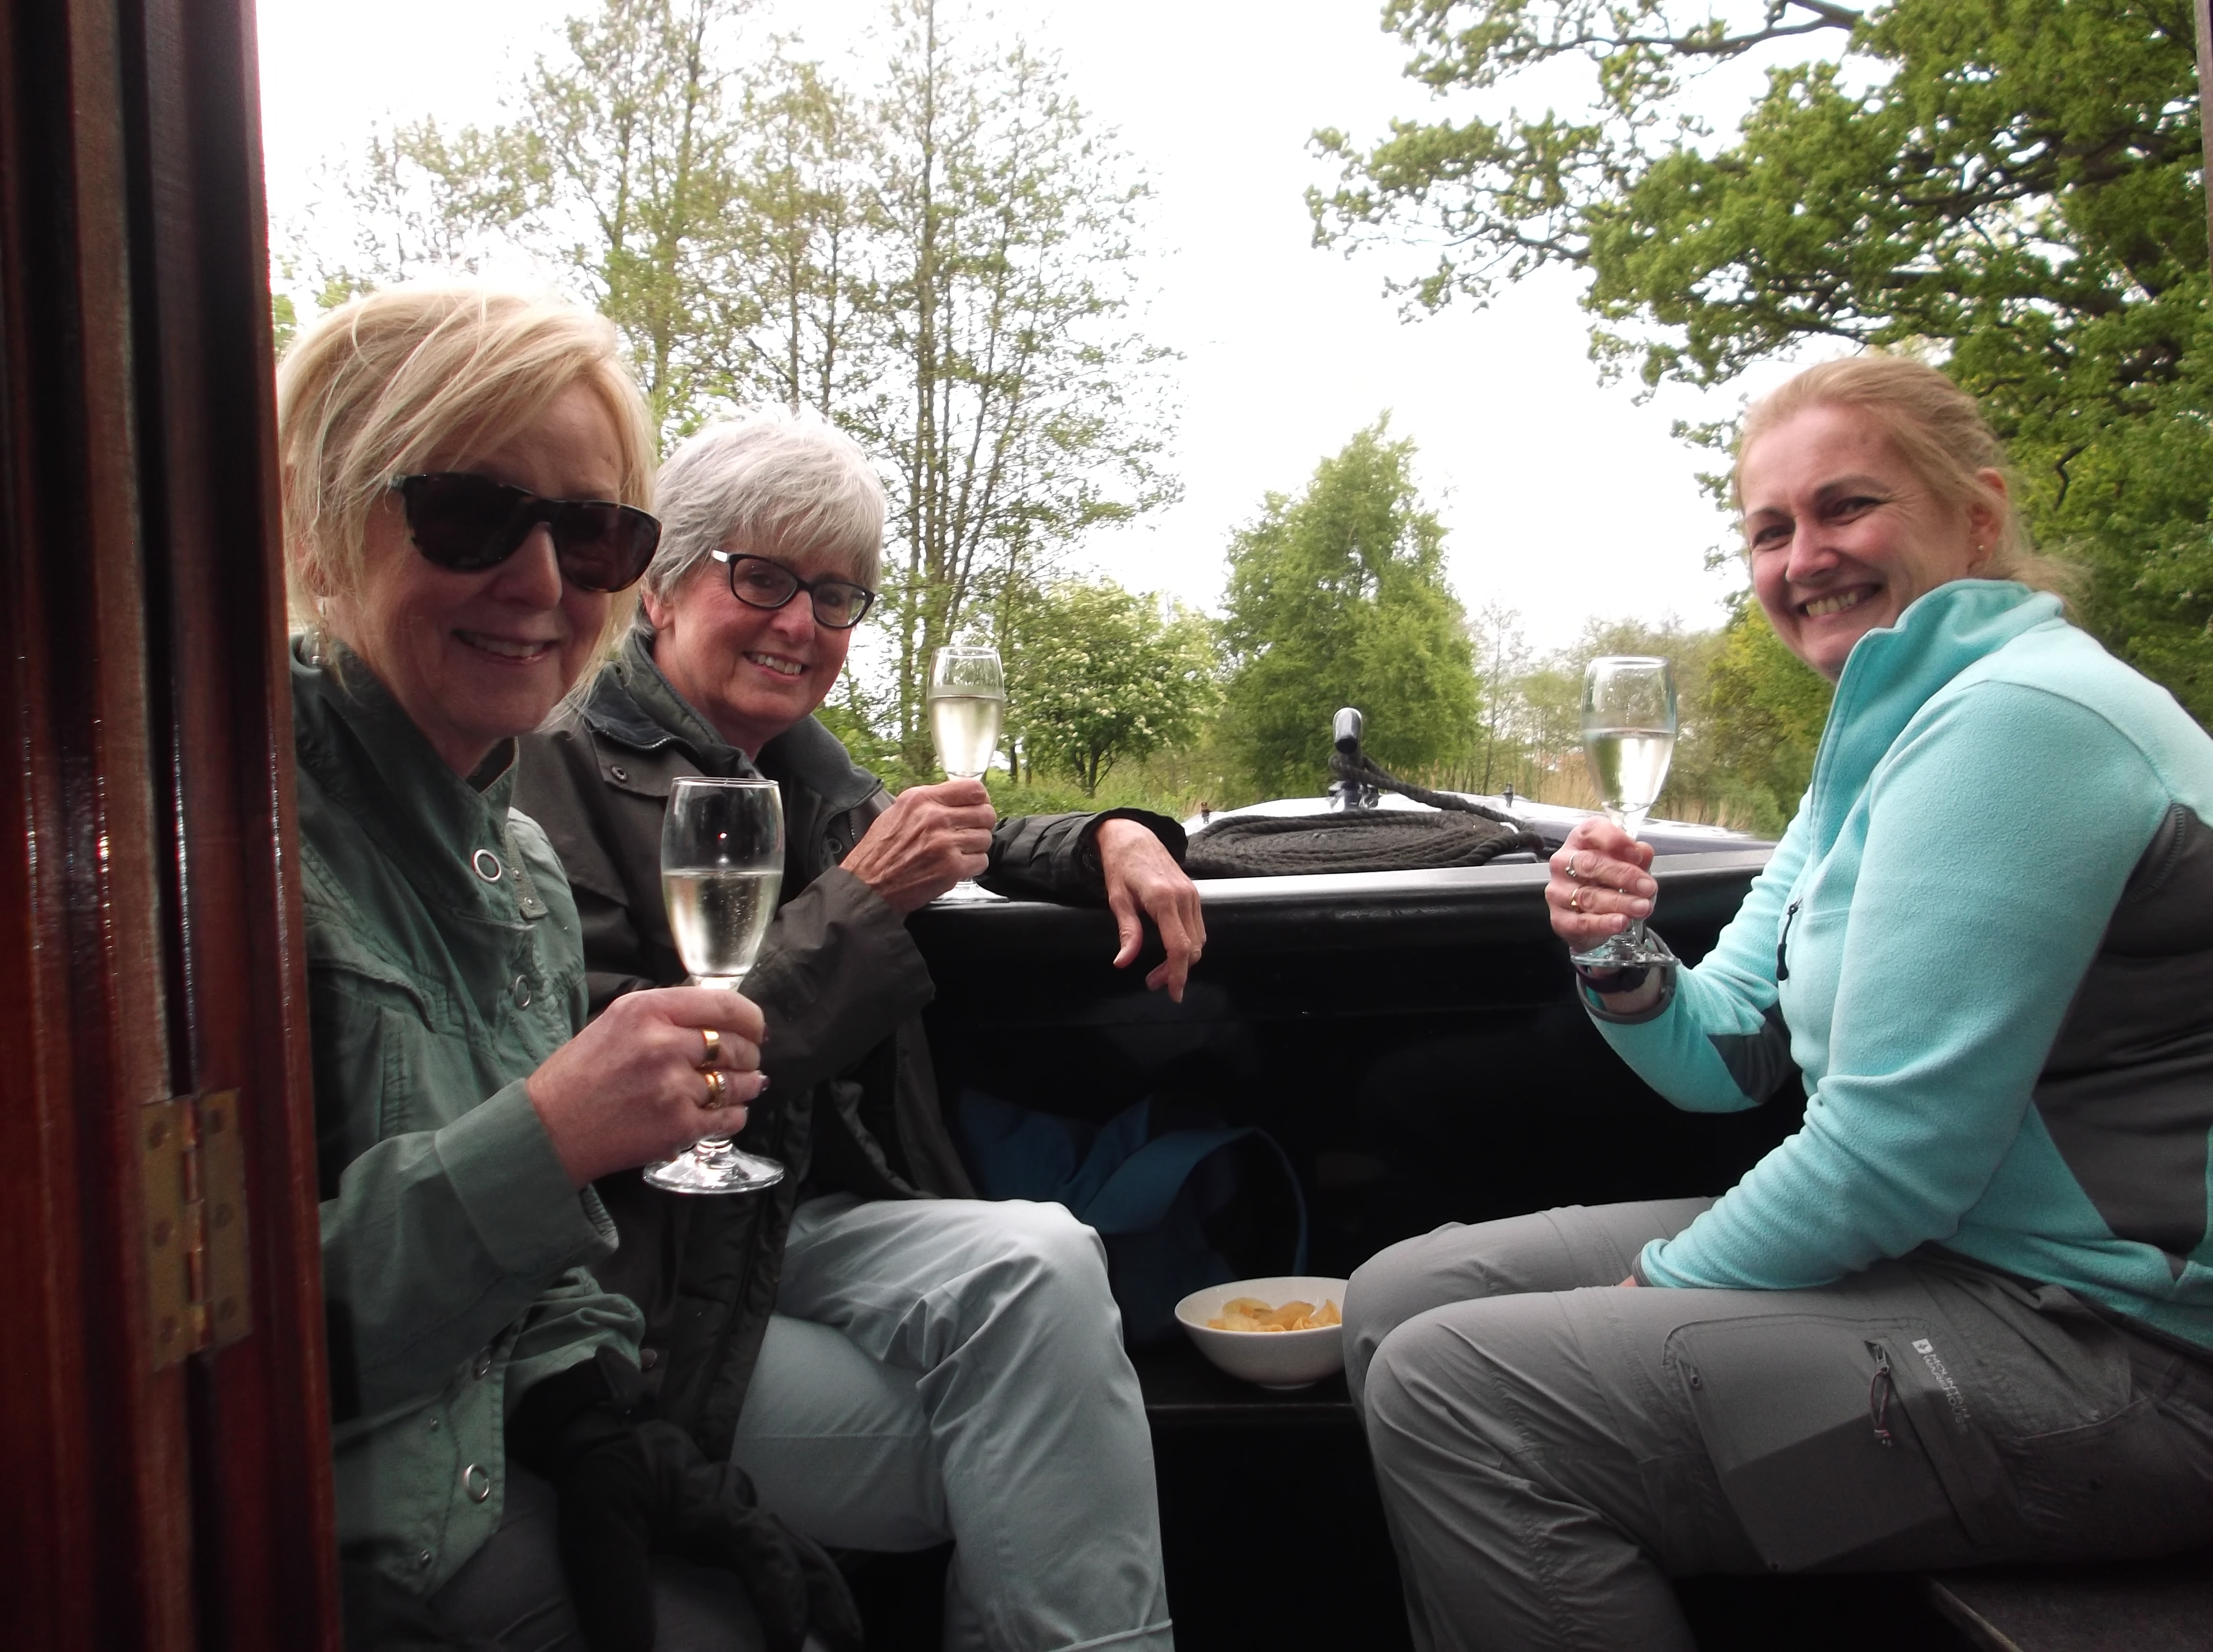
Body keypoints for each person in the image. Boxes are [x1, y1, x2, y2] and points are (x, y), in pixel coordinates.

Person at [1342, 355, 2213, 1651]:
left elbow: (1888, 1161)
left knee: (1466, 1392)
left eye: (1845, 508)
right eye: (1770, 529)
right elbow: (1725, 1054)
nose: (1804, 557)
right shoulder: (1880, 739)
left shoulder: (2022, 723)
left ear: (1976, 516)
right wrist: (1618, 955)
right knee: (1401, 1297)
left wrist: (1655, 1292)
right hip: (1963, 1269)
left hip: (2129, 1361)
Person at [513, 406, 1198, 1652]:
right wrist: (860, 900)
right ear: (661, 592)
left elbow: (955, 839)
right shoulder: (552, 773)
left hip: (797, 1220)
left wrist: (1110, 835)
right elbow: (629, 1079)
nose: (801, 624)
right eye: (764, 578)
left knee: (1045, 1251)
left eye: (837, 598)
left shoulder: (803, 772)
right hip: (656, 1263)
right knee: (1048, 1450)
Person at [284, 284, 856, 1652]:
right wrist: (547, 1143)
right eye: (469, 515)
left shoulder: (518, 870)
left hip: (508, 1472)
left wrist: (600, 1426)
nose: (542, 585)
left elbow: (544, 1282)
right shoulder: (217, 875)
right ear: (319, 526)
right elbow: (217, 1353)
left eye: (593, 533)